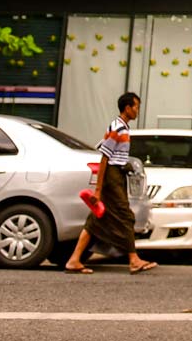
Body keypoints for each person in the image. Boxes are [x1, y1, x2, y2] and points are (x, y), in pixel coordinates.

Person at [65, 91, 157, 275]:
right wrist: (98, 190)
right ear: (127, 107)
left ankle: (74, 260)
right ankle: (133, 259)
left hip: (117, 175)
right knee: (125, 215)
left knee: (97, 219)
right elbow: (104, 158)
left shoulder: (122, 127)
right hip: (111, 177)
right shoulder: (118, 128)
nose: (137, 111)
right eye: (136, 107)